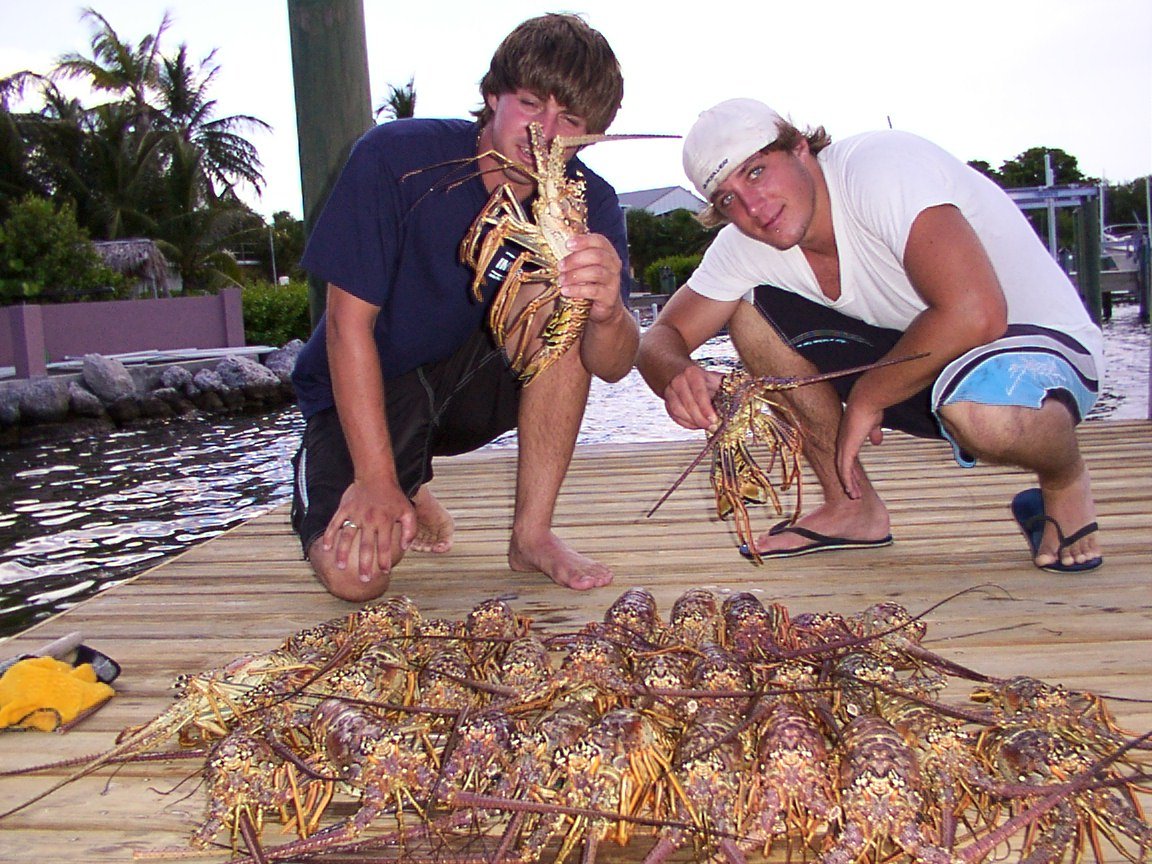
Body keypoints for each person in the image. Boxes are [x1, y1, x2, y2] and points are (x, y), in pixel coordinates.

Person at [637, 98, 1104, 573]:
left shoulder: (879, 167)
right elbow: (659, 337)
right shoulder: (746, 245)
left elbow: (976, 313)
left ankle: (1064, 481)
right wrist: (678, 375)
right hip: (928, 367)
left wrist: (869, 394)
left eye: (755, 172)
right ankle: (851, 507)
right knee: (748, 309)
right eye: (727, 199)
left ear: (799, 148)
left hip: (1042, 352)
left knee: (984, 415)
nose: (752, 208)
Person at [290, 13, 639, 601]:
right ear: (494, 95)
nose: (544, 131)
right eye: (530, 104)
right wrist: (375, 480)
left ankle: (532, 536)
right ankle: (400, 475)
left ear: (591, 136)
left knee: (567, 313)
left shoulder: (592, 202)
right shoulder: (395, 156)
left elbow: (611, 364)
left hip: (474, 388)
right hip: (375, 386)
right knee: (355, 579)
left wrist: (606, 311)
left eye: (570, 121)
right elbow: (347, 326)